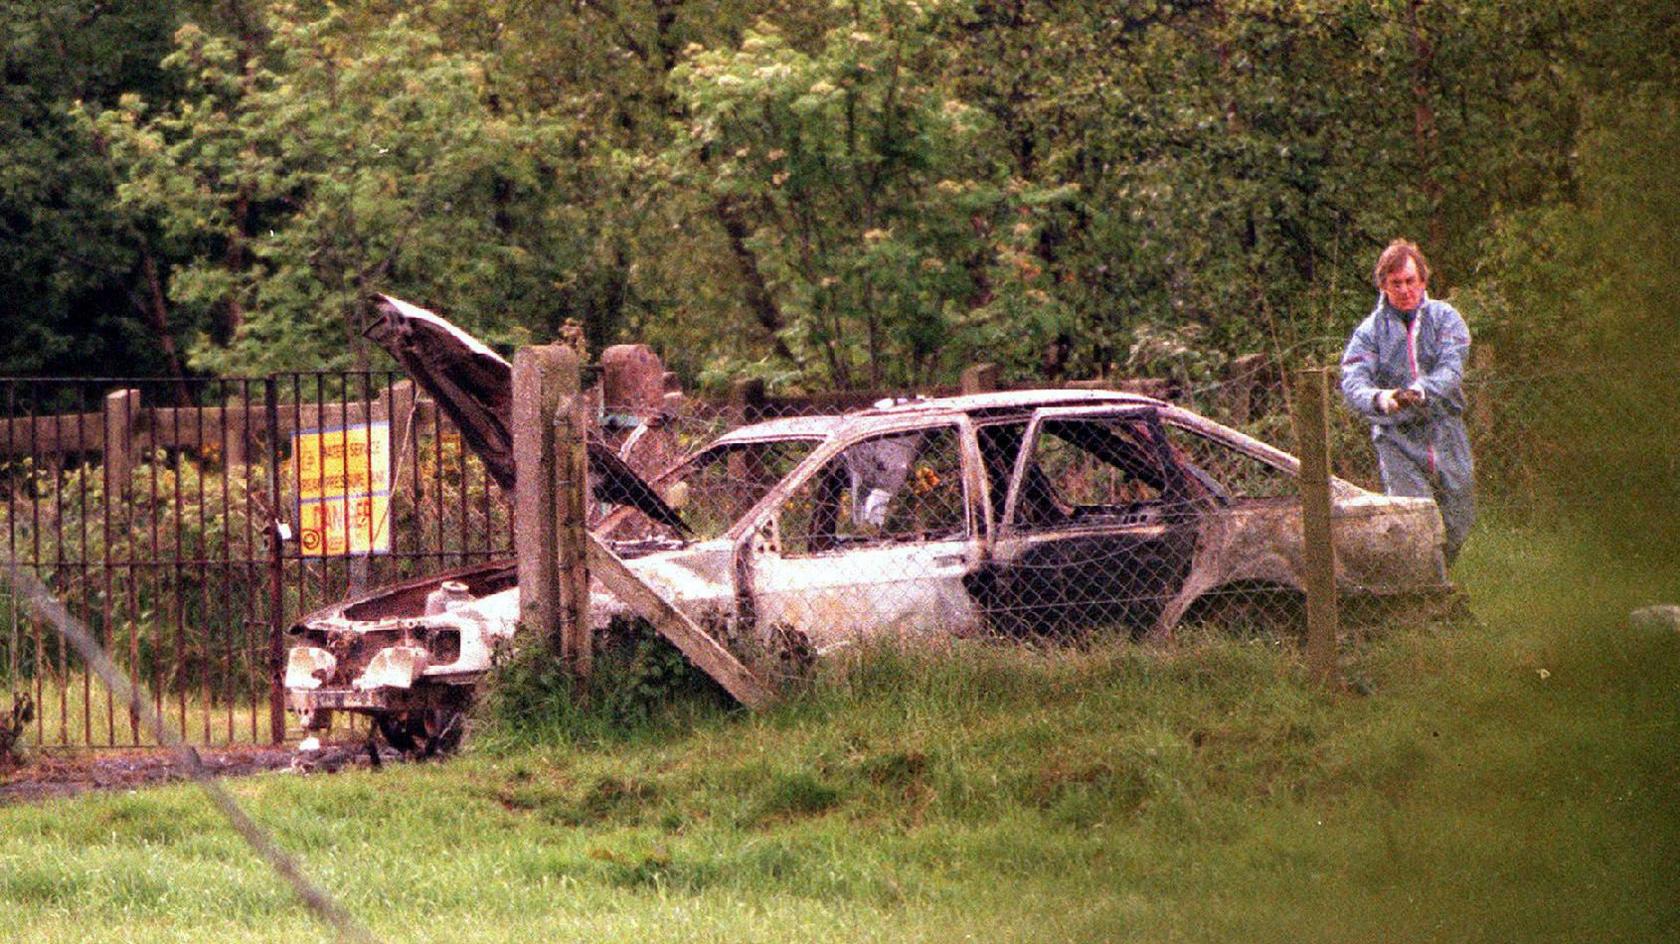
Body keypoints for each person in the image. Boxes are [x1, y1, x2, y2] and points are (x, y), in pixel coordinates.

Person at [1340, 239, 1475, 562]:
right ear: (1383, 286)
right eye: (1395, 283)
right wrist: (1382, 398)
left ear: (1423, 281)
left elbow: (1451, 367)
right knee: (1415, 522)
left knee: (1459, 517)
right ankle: (1432, 597)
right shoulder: (1369, 332)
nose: (1404, 290)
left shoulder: (1446, 319)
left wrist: (1421, 391)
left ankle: (1439, 575)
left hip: (1445, 429)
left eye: (1410, 281)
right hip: (1396, 438)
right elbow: (1353, 380)